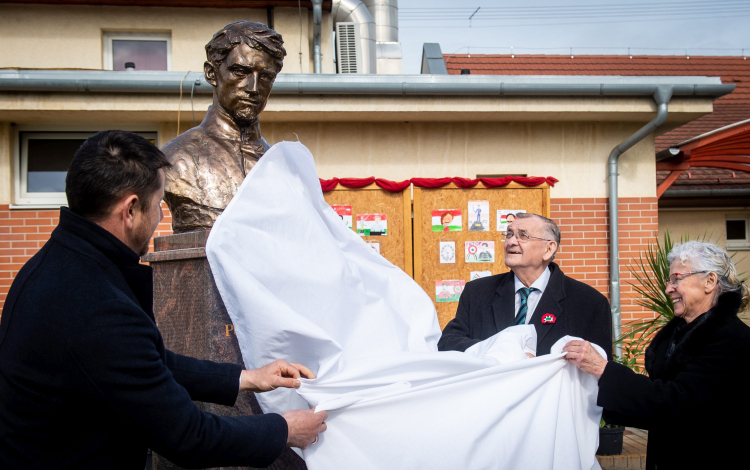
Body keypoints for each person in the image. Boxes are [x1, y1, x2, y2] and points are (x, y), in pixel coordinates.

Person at [0, 131, 327, 469]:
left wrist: (247, 378)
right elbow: (189, 436)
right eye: (158, 205)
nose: (160, 218)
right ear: (130, 210)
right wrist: (283, 430)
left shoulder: (54, 264)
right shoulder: (99, 309)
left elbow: (148, 364)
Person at [565, 241, 750, 469]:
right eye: (668, 281)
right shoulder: (681, 334)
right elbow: (655, 410)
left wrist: (604, 370)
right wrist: (583, 394)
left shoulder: (732, 338)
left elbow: (678, 403)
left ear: (709, 281)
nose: (668, 289)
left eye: (676, 279)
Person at [162, 21, 285, 233]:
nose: (253, 88)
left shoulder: (282, 167)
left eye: (265, 76)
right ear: (211, 73)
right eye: (240, 72)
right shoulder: (174, 158)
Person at [439, 213, 612, 358]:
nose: (511, 242)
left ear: (548, 249)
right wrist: (501, 352)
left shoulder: (589, 303)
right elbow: (448, 343)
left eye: (523, 235)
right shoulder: (477, 293)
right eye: (509, 234)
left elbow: (599, 372)